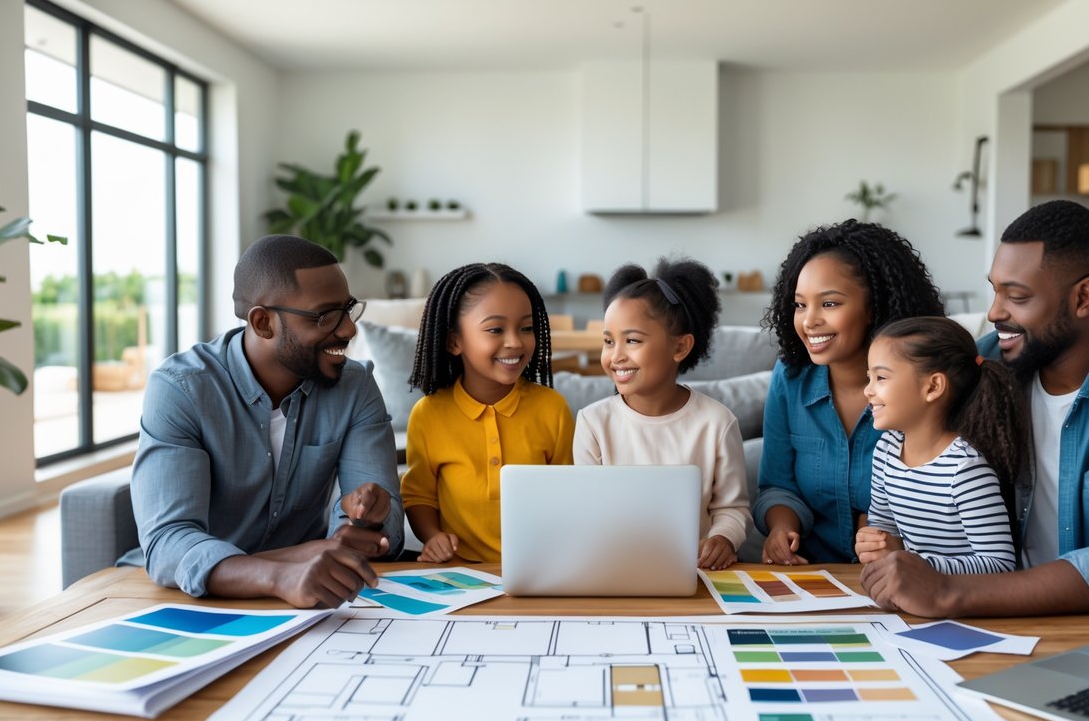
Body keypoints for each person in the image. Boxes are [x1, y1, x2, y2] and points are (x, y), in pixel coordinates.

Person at [861, 199, 1089, 616]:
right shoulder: (980, 367)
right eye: (995, 290)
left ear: (1083, 297)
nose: (995, 312)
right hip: (976, 617)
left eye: (1017, 296)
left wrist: (947, 592)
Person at [123, 234, 405, 608]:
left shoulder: (354, 386)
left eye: (348, 309)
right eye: (325, 316)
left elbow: (386, 524)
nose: (349, 329)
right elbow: (169, 542)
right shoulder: (182, 390)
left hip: (307, 593)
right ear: (263, 322)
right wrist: (279, 574)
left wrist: (363, 524)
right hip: (185, 599)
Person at [755, 220, 945, 566]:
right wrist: (781, 528)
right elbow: (776, 485)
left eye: (829, 304)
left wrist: (891, 536)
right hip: (814, 577)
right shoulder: (791, 377)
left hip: (907, 576)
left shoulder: (921, 385)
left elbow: (944, 496)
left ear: (875, 306)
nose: (809, 321)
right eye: (800, 305)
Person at [573, 257, 751, 570]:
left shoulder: (716, 423)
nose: (616, 356)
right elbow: (586, 512)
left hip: (693, 572)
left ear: (680, 348)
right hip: (612, 567)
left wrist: (723, 539)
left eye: (632, 340)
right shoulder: (592, 422)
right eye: (608, 341)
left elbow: (733, 509)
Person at [401, 263, 573, 563]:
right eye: (495, 329)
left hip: (542, 566)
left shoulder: (552, 408)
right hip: (461, 575)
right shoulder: (428, 415)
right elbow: (419, 496)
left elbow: (571, 495)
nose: (515, 342)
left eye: (526, 328)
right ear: (455, 341)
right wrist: (432, 537)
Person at [855, 316, 1028, 575]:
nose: (868, 390)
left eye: (880, 377)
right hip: (912, 597)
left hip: (963, 606)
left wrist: (912, 563)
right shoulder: (886, 450)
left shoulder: (966, 470)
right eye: (869, 377)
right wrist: (875, 544)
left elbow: (999, 565)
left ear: (933, 386)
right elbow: (885, 528)